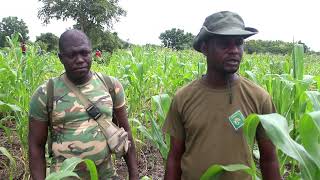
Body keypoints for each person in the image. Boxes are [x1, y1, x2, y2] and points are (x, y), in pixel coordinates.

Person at [163, 11, 281, 180]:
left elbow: (269, 160)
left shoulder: (259, 97)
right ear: (205, 48)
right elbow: (174, 157)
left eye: (239, 43)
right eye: (224, 44)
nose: (234, 50)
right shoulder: (183, 98)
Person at [28, 29, 139, 179]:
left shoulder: (110, 85)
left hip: (106, 176)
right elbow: (36, 146)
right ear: (61, 58)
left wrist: (134, 174)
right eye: (72, 55)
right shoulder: (46, 93)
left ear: (91, 53)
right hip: (64, 176)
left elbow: (126, 132)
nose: (80, 59)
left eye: (84, 53)